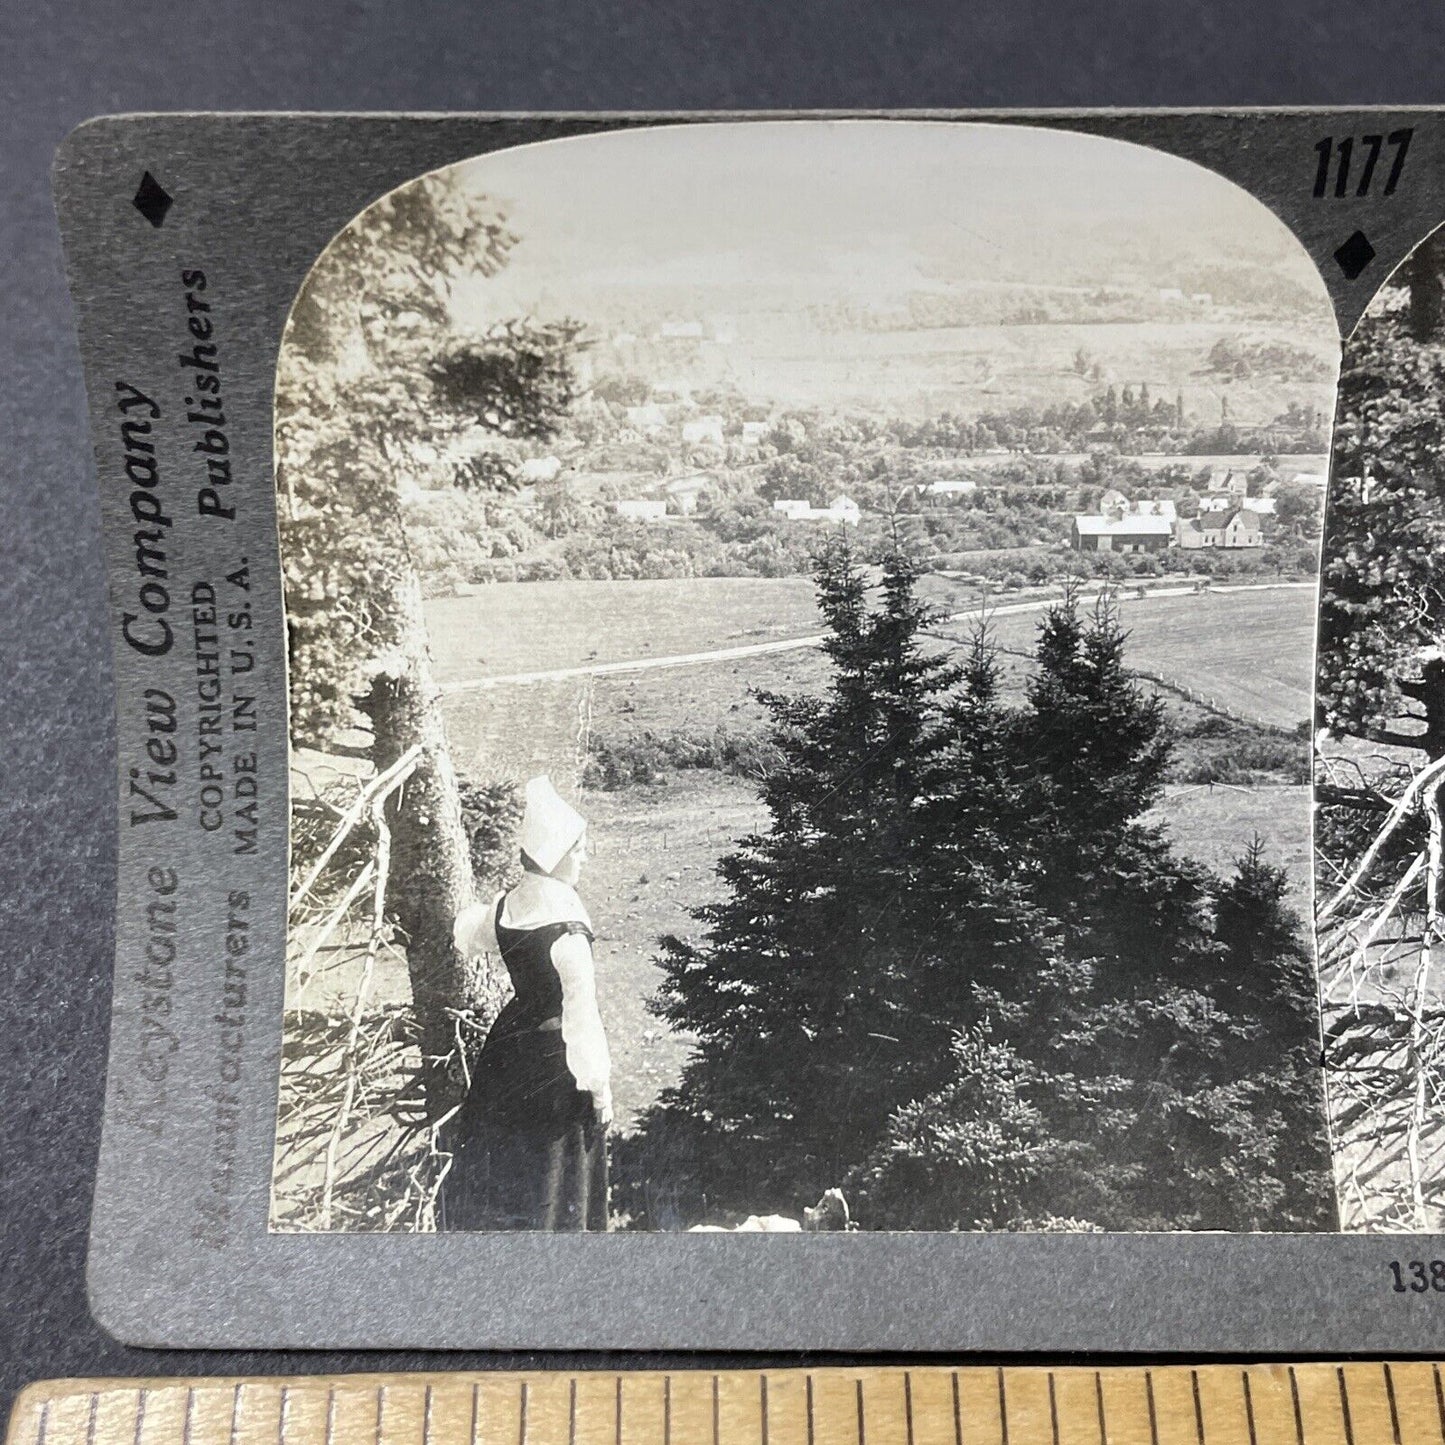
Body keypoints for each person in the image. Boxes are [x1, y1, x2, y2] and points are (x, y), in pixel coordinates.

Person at [439, 776, 612, 1231]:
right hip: (555, 1061)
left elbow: (467, 934)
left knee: (507, 1169)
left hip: (507, 1048)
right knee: (554, 1171)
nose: (583, 858)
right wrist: (600, 1090)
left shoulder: (508, 906)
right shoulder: (569, 926)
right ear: (556, 856)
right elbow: (581, 1016)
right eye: (578, 850)